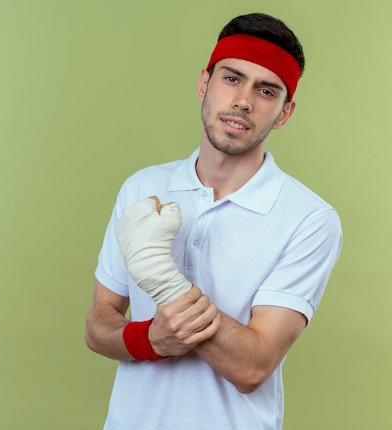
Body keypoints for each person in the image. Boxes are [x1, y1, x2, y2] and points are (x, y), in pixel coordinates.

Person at [85, 12, 342, 430]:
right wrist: (149, 340)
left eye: (266, 90)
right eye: (231, 78)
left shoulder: (309, 219)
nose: (243, 100)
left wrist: (163, 280)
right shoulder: (143, 188)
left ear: (284, 112)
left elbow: (252, 368)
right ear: (204, 83)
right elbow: (99, 323)